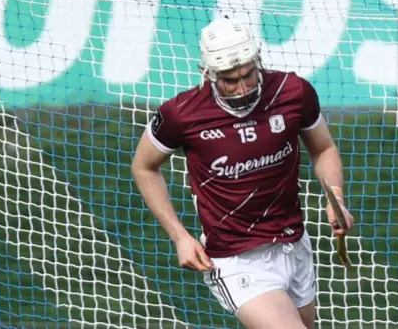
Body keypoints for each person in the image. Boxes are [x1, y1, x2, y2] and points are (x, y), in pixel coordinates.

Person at [131, 17, 354, 329]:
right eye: (229, 80)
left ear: (257, 60)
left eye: (248, 75)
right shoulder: (181, 114)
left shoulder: (293, 93)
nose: (241, 87)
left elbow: (324, 149)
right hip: (235, 259)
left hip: (294, 245)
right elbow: (144, 167)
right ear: (206, 73)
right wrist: (179, 236)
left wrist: (337, 198)